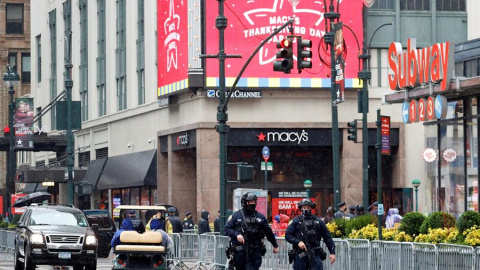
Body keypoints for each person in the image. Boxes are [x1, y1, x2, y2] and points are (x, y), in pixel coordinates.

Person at [224, 192, 279, 270]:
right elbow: (227, 229)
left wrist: (275, 245)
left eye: (254, 202)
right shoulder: (236, 215)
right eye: (250, 202)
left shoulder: (260, 217)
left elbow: (268, 232)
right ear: (245, 202)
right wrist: (236, 234)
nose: (253, 204)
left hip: (255, 252)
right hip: (240, 253)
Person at [285, 199, 336, 269]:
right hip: (300, 254)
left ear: (311, 208)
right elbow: (288, 235)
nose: (306, 209)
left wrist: (332, 252)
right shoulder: (296, 221)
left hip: (315, 253)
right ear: (300, 208)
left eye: (308, 207)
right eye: (304, 207)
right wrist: (298, 242)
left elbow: (327, 237)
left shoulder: (318, 221)